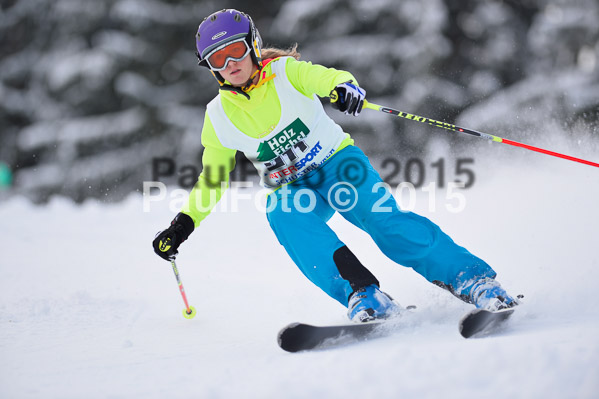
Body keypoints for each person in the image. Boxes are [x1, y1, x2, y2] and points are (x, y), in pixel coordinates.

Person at [152, 9, 519, 322]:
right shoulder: (217, 117)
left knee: (385, 225)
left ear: (253, 46)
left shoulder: (285, 72)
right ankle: (363, 294)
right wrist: (183, 224)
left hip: (339, 166)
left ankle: (473, 279)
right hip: (292, 188)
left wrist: (343, 87)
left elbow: (324, 77)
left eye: (235, 51)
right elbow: (212, 179)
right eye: (218, 59)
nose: (230, 64)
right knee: (283, 214)